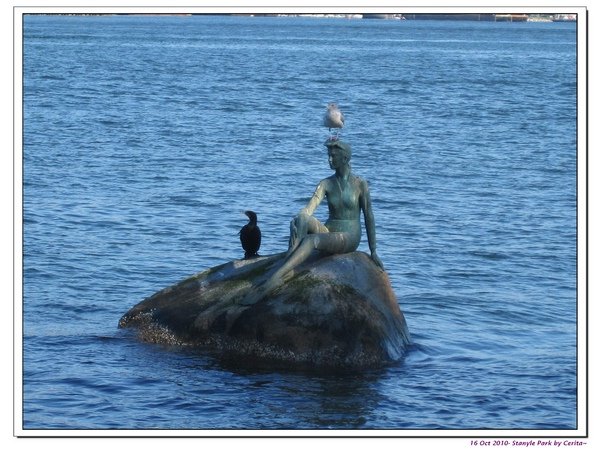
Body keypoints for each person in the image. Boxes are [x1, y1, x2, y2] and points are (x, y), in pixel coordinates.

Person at [243, 139, 384, 304]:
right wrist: (298, 219)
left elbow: (369, 216)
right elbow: (309, 209)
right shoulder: (326, 184)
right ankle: (290, 261)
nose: (329, 159)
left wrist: (373, 250)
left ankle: (273, 281)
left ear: (345, 158)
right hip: (330, 230)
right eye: (329, 155)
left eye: (334, 156)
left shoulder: (360, 184)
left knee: (312, 240)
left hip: (349, 236)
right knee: (301, 219)